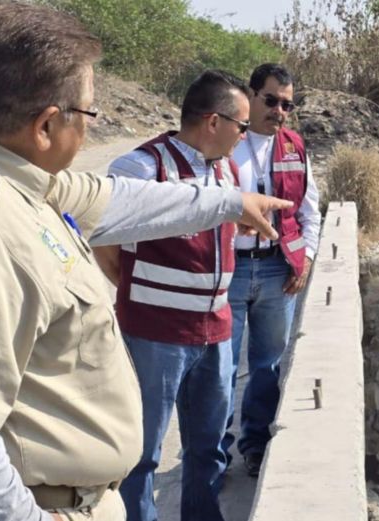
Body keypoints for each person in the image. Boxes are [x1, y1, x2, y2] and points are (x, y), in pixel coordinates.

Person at [0, 3, 290, 520]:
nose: (89, 128)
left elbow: (115, 200)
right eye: (88, 114)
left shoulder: (1, 172)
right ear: (46, 125)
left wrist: (231, 202)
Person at [93, 70, 251, 521]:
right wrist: (139, 291)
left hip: (215, 333)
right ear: (214, 121)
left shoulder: (225, 169)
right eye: (241, 125)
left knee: (208, 448)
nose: (245, 135)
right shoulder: (143, 168)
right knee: (141, 452)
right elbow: (104, 238)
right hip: (155, 335)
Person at [225, 63, 320, 477]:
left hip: (276, 272)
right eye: (270, 101)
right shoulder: (227, 142)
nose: (279, 111)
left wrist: (307, 258)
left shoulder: (294, 148)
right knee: (220, 368)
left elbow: (309, 211)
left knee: (266, 367)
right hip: (228, 270)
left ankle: (255, 447)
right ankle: (213, 457)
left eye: (287, 105)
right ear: (250, 95)